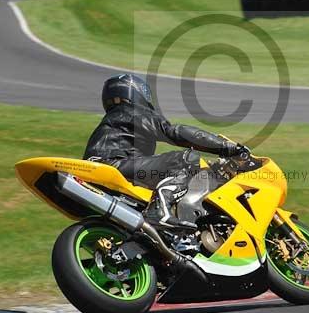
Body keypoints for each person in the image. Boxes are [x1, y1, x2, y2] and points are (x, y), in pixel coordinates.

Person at [83, 74, 248, 229]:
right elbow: (176, 133)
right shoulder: (136, 112)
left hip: (104, 170)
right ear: (138, 93)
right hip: (115, 166)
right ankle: (159, 209)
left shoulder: (112, 120)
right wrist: (226, 147)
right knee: (187, 158)